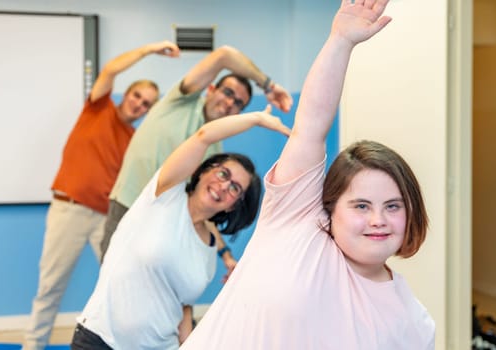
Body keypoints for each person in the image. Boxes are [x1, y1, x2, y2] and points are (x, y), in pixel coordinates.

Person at [179, 0, 436, 349]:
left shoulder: (416, 324)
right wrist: (341, 42)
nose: (378, 219)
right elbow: (311, 127)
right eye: (361, 206)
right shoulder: (296, 225)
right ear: (330, 208)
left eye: (393, 206)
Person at [70, 106, 291, 350]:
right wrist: (256, 118)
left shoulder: (208, 252)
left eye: (234, 188)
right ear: (205, 170)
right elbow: (204, 136)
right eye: (222, 174)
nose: (223, 185)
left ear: (233, 207)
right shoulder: (165, 192)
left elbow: (181, 307)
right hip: (99, 340)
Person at [23, 41, 180, 350]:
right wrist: (149, 51)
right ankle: (33, 345)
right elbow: (110, 69)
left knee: (121, 284)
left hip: (106, 220)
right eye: (137, 96)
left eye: (147, 104)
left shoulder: (135, 139)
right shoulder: (98, 108)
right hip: (70, 210)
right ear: (126, 94)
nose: (139, 105)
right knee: (51, 286)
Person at [99, 44, 294, 277]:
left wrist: (226, 255)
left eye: (239, 103)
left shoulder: (215, 156)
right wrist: (268, 85)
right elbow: (225, 55)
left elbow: (204, 207)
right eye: (228, 93)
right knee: (112, 283)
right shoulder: (180, 101)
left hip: (160, 222)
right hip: (126, 205)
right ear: (211, 89)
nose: (231, 102)